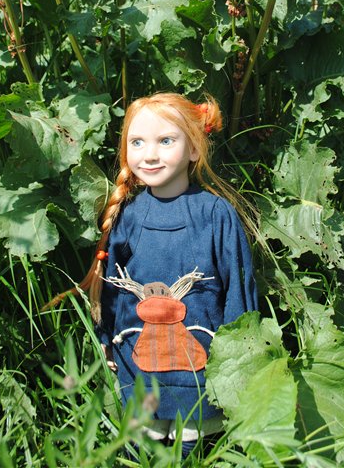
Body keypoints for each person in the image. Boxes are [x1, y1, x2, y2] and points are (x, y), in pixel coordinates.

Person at [52, 92, 258, 457]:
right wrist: (106, 335)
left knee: (188, 445)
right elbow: (112, 286)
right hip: (137, 364)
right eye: (137, 142)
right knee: (139, 445)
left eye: (166, 141)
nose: (149, 154)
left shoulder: (215, 215)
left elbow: (239, 288)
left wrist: (242, 353)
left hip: (200, 371)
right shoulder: (128, 217)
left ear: (194, 149)